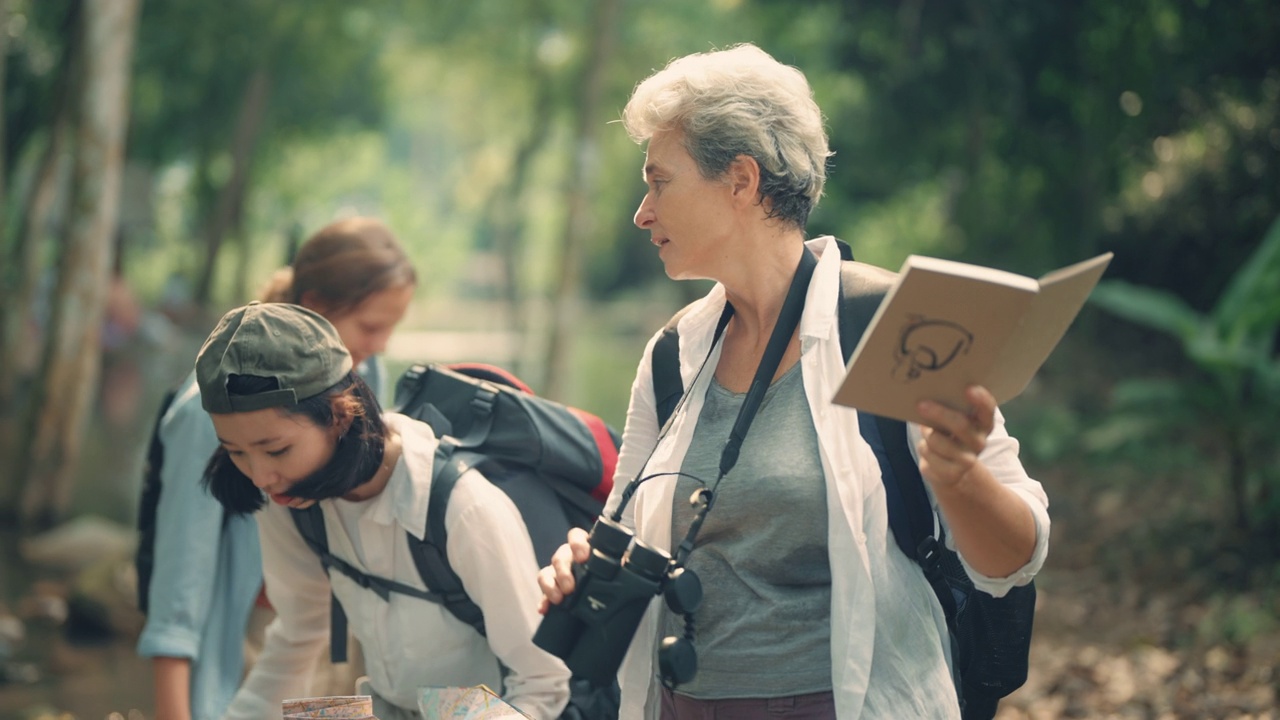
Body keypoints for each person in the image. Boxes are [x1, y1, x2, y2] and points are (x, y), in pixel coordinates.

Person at [537, 44, 1050, 719]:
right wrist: (583, 558)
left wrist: (960, 480)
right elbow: (628, 529)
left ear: (742, 181)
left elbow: (1016, 558)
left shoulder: (893, 323)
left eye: (659, 181)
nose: (642, 211)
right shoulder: (674, 354)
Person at [195, 302, 572, 719]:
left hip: (478, 711)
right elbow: (299, 633)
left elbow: (543, 683)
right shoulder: (291, 498)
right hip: (389, 705)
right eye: (236, 453)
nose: (260, 476)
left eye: (276, 449)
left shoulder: (459, 505)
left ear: (340, 414)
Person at [136, 217, 417, 720]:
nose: (382, 345)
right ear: (314, 307)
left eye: (392, 328)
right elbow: (180, 583)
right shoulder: (216, 411)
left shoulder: (358, 377)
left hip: (337, 636)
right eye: (372, 327)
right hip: (256, 639)